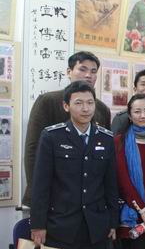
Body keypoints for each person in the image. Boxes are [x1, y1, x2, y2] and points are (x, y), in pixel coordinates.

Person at [30, 81, 118, 249]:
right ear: (66, 106)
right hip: (61, 226)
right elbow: (40, 184)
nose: (86, 108)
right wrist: (38, 224)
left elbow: (111, 183)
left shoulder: (106, 138)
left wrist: (113, 221)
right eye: (78, 103)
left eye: (90, 102)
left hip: (96, 228)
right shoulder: (52, 136)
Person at [23, 51, 111, 207]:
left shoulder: (102, 109)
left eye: (93, 71)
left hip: (90, 200)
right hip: (53, 196)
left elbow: (106, 157)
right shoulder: (48, 101)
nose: (88, 75)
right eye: (82, 69)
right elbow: (32, 150)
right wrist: (37, 195)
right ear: (69, 72)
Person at [114, 94, 145, 249]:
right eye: (137, 111)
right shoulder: (119, 142)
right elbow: (124, 181)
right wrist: (143, 211)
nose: (143, 115)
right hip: (134, 215)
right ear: (129, 115)